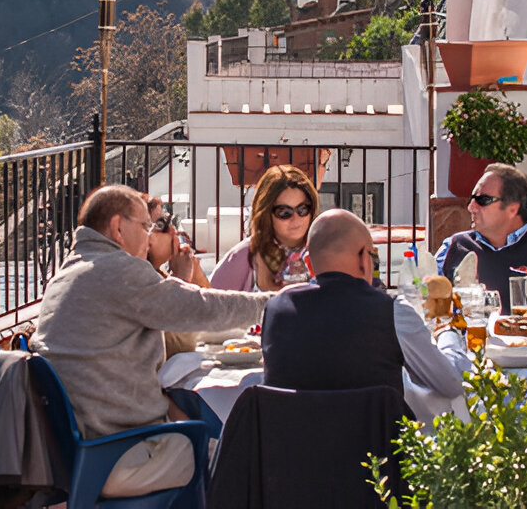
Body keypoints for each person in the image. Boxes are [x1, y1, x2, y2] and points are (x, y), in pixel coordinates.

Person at [30, 184, 270, 498]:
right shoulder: (118, 270)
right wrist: (274, 304)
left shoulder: (66, 274)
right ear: (118, 227)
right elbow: (202, 308)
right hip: (118, 452)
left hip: (73, 452)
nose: (149, 235)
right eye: (146, 226)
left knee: (194, 424)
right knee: (228, 446)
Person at [261, 208, 470, 422]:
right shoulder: (392, 313)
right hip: (376, 452)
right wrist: (447, 332)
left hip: (291, 452)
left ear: (309, 266)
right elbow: (451, 385)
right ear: (364, 259)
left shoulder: (275, 310)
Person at [435, 163, 527, 313]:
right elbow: (428, 303)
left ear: (513, 209)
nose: (471, 207)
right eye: (472, 199)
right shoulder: (454, 245)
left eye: (483, 200)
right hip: (465, 335)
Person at [210, 164, 319, 292]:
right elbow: (211, 304)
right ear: (266, 214)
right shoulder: (245, 256)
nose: (295, 219)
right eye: (284, 212)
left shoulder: (324, 251)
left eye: (303, 209)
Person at [142, 193, 211, 358]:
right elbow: (177, 347)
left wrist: (195, 273)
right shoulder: (139, 281)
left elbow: (210, 317)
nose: (173, 230)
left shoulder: (159, 274)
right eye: (161, 224)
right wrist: (182, 280)